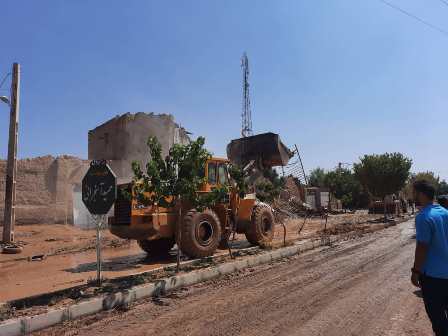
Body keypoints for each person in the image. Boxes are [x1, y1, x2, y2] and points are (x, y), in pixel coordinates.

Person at [411, 180, 448, 336]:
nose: (412, 195)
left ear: (420, 194)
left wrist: (415, 271)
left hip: (433, 278)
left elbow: (422, 247)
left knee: (438, 319)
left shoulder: (423, 217)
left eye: (413, 192)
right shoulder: (445, 213)